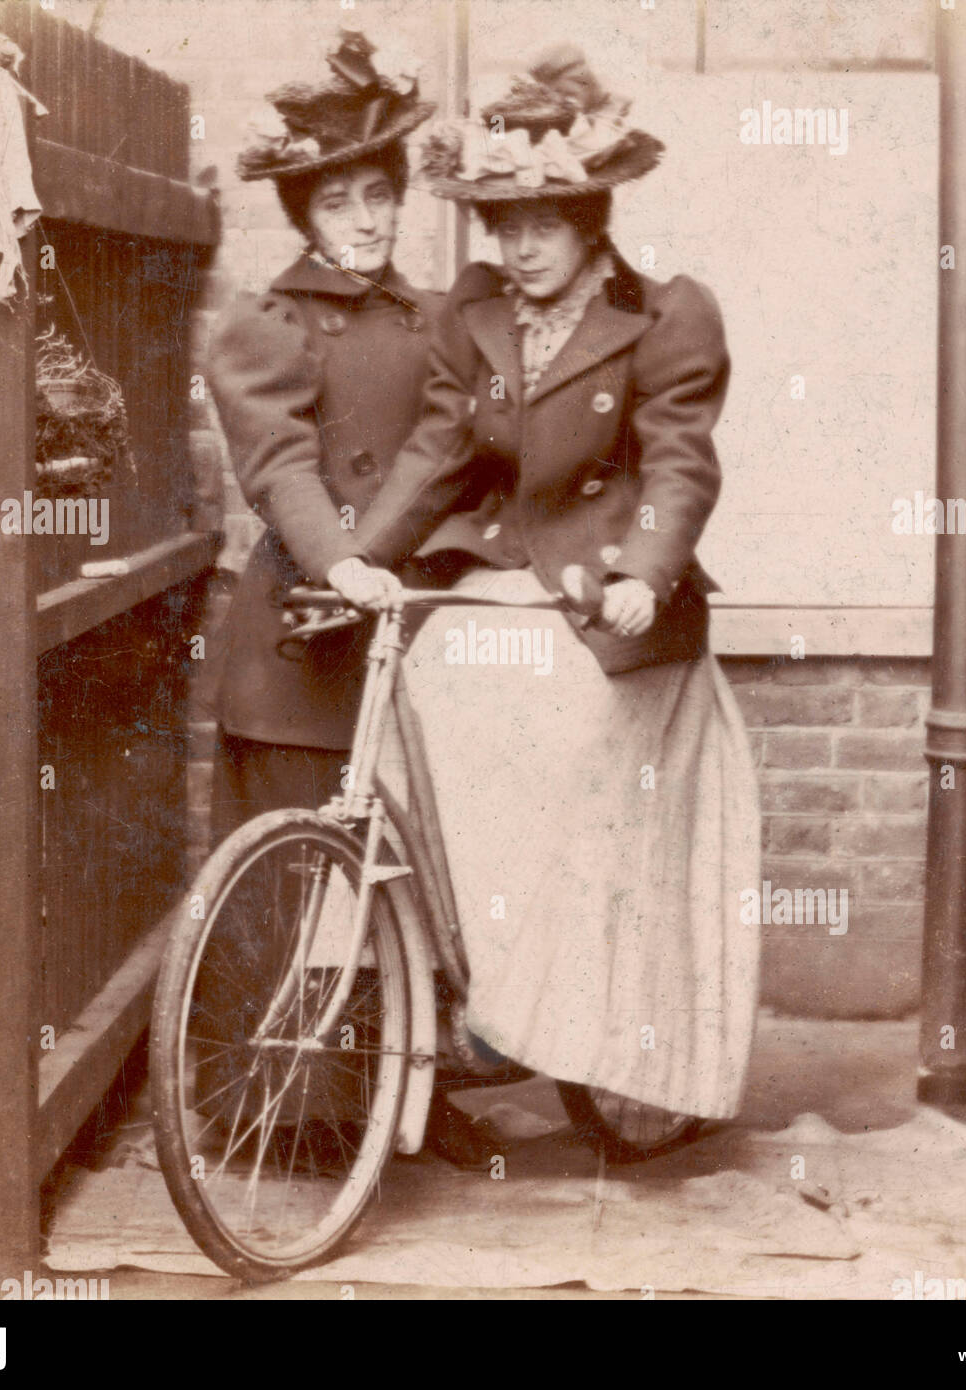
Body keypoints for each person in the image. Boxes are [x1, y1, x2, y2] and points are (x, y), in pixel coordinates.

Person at [326, 47, 761, 1124]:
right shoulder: (473, 316)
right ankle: (465, 977)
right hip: (507, 578)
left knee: (560, 731)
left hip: (610, 596)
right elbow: (435, 454)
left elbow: (679, 463)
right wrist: (362, 558)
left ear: (590, 220)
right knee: (416, 700)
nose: (519, 249)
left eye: (542, 225)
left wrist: (649, 577)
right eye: (502, 226)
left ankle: (528, 1005)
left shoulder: (666, 317)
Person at [204, 29, 489, 1167]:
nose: (367, 220)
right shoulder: (265, 324)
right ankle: (269, 1111)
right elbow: (276, 469)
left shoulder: (432, 321)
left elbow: (460, 450)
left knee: (397, 879)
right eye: (341, 202)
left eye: (381, 195)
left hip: (402, 642)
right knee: (289, 887)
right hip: (305, 636)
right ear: (306, 214)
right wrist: (345, 563)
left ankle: (399, 1098)